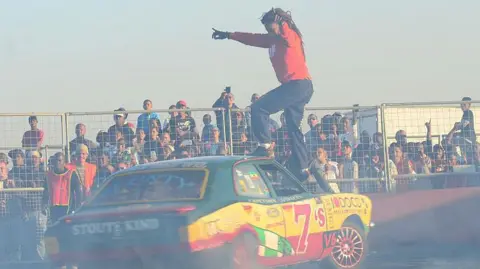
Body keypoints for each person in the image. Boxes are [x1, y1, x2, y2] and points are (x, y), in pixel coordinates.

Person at [212, 8, 314, 180]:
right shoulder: (271, 40)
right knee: (292, 126)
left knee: (259, 108)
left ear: (281, 25)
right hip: (296, 87)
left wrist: (282, 24)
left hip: (298, 85)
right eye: (267, 29)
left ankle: (266, 146)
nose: (269, 31)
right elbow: (251, 38)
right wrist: (229, 35)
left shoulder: (291, 37)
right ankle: (303, 167)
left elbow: (287, 35)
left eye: (271, 28)